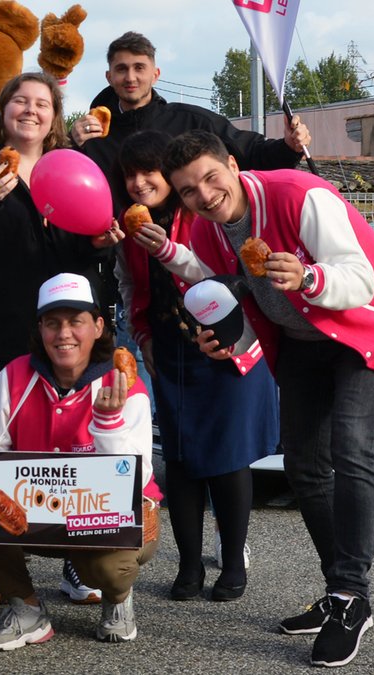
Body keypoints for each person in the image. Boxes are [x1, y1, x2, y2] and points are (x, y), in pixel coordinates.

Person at [163, 129, 374, 668]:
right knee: (304, 465)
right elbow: (220, 292)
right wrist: (213, 334)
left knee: (351, 446)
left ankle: (350, 596)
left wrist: (309, 276)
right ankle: (338, 594)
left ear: (231, 163)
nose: (204, 195)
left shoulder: (298, 193)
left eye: (210, 177)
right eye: (187, 191)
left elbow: (361, 277)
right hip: (301, 342)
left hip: (365, 327)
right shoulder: (207, 232)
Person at [0, 72, 116, 606]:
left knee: (72, 446)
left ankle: (76, 560)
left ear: (54, 115)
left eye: (42, 103)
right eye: (20, 100)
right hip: (2, 329)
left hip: (69, 334)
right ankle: (2, 562)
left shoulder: (73, 165)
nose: (31, 111)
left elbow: (82, 246)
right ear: (4, 110)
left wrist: (100, 243)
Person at [0, 272, 161, 649]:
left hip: (102, 520)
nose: (64, 334)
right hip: (34, 515)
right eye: (52, 323)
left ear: (97, 326)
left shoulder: (124, 383)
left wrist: (107, 423)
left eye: (76, 321)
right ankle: (27, 610)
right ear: (40, 329)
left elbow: (136, 477)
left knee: (107, 568)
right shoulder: (13, 376)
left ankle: (118, 600)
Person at [115, 130, 277, 601]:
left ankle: (232, 563)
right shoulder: (131, 226)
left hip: (226, 344)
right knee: (181, 458)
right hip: (170, 348)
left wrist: (236, 337)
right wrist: (142, 333)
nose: (140, 183)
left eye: (150, 173)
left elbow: (232, 279)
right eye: (130, 175)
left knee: (228, 457)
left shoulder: (206, 214)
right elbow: (134, 289)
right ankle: (188, 566)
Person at [72, 30, 311, 216]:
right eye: (121, 69)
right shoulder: (92, 137)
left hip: (193, 253)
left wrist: (288, 147)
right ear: (109, 76)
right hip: (123, 262)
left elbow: (250, 152)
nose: (131, 77)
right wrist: (72, 145)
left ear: (155, 74)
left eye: (139, 68)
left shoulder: (193, 121)